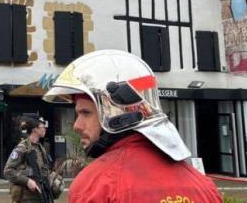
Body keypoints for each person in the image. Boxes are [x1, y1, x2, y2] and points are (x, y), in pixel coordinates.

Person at [43, 50, 222, 203]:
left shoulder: (95, 186)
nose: (76, 125)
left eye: (85, 113)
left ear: (115, 113)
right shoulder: (205, 186)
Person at [4, 116, 52, 202]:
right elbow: (8, 171)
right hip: (26, 198)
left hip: (40, 196)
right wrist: (27, 181)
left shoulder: (40, 147)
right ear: (35, 130)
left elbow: (44, 170)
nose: (44, 129)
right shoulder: (22, 148)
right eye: (42, 127)